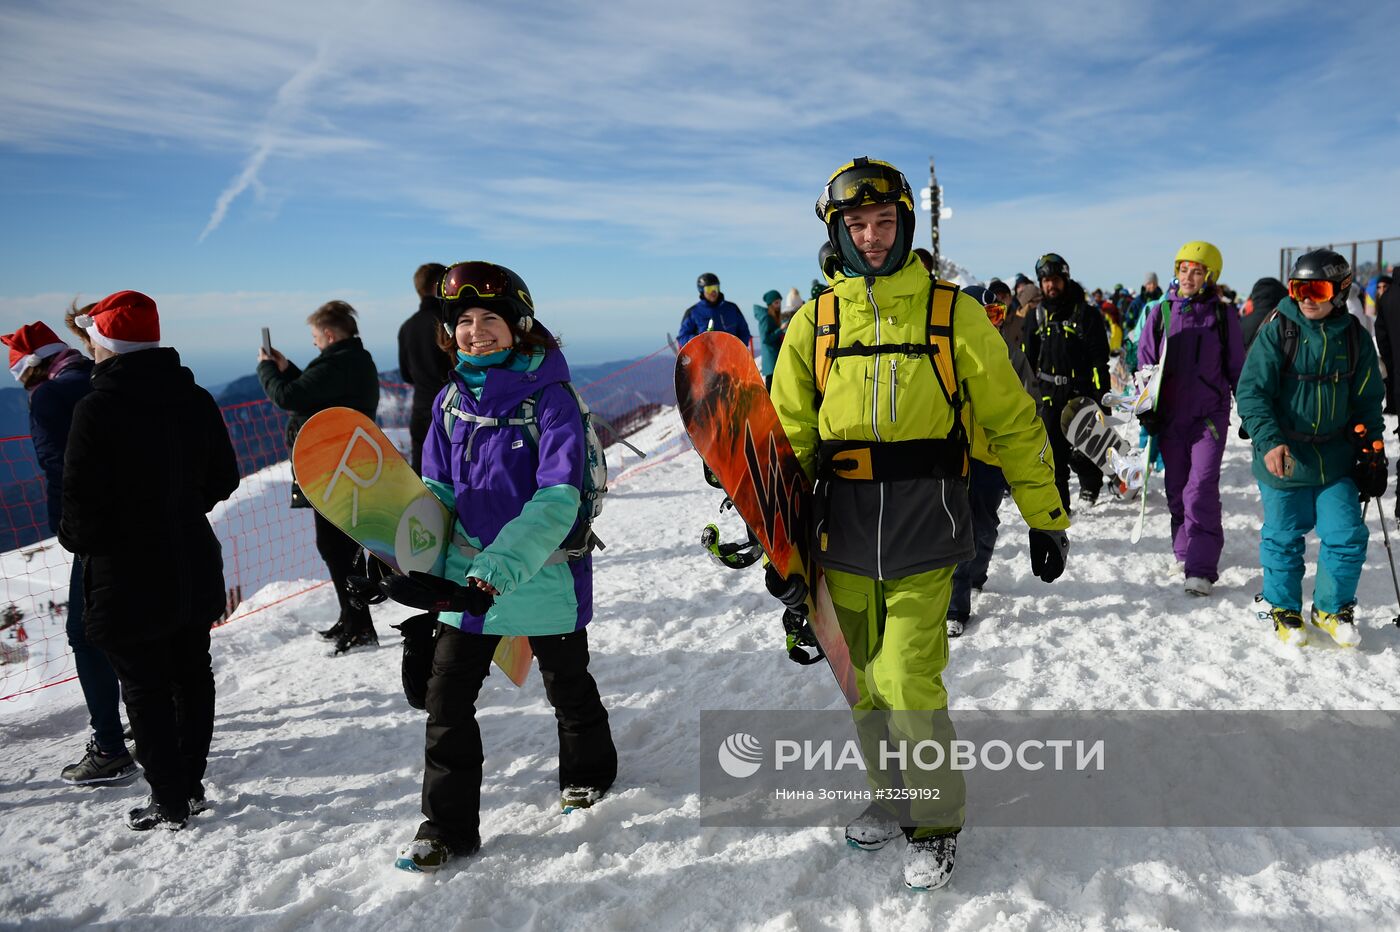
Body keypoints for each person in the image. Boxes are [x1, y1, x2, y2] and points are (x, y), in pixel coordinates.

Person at [771, 157, 1069, 890]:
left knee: (907, 678)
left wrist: (1043, 514)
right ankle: (893, 791)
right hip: (838, 531)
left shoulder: (952, 313)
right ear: (838, 233)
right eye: (857, 225)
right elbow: (788, 438)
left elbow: (1010, 418)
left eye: (884, 222)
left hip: (925, 526)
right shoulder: (817, 322)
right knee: (862, 683)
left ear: (905, 223)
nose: (871, 237)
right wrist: (773, 536)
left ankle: (933, 823)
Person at [380, 260, 616, 872]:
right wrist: (397, 551)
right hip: (470, 583)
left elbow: (557, 498)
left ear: (519, 327)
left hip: (542, 573)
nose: (477, 331)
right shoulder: (451, 401)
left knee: (567, 684)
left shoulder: (552, 399)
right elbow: (438, 489)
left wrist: (496, 569)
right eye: (464, 321)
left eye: (490, 319)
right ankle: (446, 827)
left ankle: (588, 774)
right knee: (447, 702)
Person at [57, 290, 239, 830]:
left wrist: (89, 538)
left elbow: (79, 514)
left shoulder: (97, 408)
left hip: (126, 572)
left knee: (144, 685)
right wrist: (179, 507)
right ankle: (191, 785)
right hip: (190, 559)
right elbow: (224, 477)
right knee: (190, 674)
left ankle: (169, 801)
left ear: (104, 344)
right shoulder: (196, 397)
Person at [2, 319, 135, 786]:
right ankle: (146, 718)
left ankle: (109, 746)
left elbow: (60, 472)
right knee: (136, 623)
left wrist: (69, 533)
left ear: (30, 369)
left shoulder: (50, 398)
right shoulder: (106, 378)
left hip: (97, 533)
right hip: (147, 522)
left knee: (86, 633)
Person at [1236, 250, 1383, 647]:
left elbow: (1368, 400)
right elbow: (1251, 393)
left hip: (1335, 459)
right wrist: (1269, 440)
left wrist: (1373, 449)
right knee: (1284, 538)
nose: (1306, 298)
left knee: (1347, 535)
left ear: (1339, 291)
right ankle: (1284, 608)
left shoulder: (1353, 336)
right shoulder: (1278, 329)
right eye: (1298, 288)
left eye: (1316, 289)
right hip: (1283, 458)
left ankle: (1330, 609)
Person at [258, 300, 381, 653]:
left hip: (334, 467)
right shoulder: (351, 360)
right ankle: (352, 618)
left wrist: (267, 370)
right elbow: (314, 391)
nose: (314, 342)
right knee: (339, 546)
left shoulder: (340, 363)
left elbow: (288, 396)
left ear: (328, 334)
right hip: (341, 464)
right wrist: (287, 367)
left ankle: (359, 626)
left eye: (315, 336)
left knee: (337, 547)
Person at [1136, 242, 1244, 596]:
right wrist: (1145, 410)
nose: (1188, 277)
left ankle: (1200, 567)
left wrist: (1251, 412)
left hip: (1208, 419)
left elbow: (1237, 369)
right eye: (1183, 269)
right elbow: (1146, 368)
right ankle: (1184, 551)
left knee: (1200, 490)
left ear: (1209, 276)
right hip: (1170, 418)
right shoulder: (1161, 313)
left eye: (1197, 271)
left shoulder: (1223, 316)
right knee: (1177, 492)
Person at [944, 285, 1042, 637]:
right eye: (983, 316)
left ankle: (978, 572)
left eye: (997, 315)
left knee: (983, 525)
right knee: (956, 529)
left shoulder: (1011, 356)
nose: (991, 324)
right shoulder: (945, 353)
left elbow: (1030, 403)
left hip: (991, 456)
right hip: (954, 454)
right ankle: (955, 607)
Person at [1022, 252, 1111, 509]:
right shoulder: (1035, 317)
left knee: (1085, 450)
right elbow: (1028, 362)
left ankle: (1091, 485)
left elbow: (1099, 361)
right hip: (1049, 396)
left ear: (1065, 278)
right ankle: (1061, 506)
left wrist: (1103, 399)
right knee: (1054, 457)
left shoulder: (1086, 314)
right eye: (1046, 280)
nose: (1051, 285)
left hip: (1081, 393)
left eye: (1055, 279)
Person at [398, 262, 451, 474]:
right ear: (439, 286)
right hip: (450, 409)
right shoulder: (448, 323)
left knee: (421, 474)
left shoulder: (407, 326)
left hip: (419, 410)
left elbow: (405, 374)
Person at [676, 273, 751, 348]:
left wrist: (737, 347)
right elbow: (682, 337)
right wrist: (700, 340)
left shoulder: (732, 308)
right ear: (702, 290)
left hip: (731, 356)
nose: (713, 292)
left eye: (715, 288)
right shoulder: (693, 312)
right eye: (709, 289)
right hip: (705, 357)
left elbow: (744, 332)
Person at [753, 289, 785, 389]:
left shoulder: (772, 316)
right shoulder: (766, 318)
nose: (779, 305)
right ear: (770, 304)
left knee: (775, 383)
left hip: (774, 355)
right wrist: (780, 329)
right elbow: (765, 338)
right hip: (770, 357)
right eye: (776, 302)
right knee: (771, 384)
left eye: (779, 302)